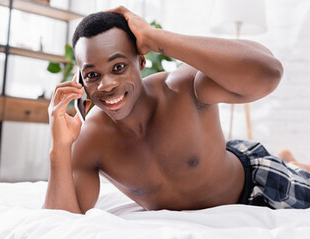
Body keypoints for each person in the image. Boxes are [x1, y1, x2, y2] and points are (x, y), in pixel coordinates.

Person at [44, 6, 310, 214]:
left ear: (141, 60)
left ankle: (289, 162)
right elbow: (63, 222)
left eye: (118, 67)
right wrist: (60, 149)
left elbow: (269, 73)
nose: (107, 85)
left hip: (253, 183)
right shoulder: (91, 140)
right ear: (81, 80)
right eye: (92, 74)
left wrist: (155, 37)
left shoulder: (182, 89)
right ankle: (289, 157)